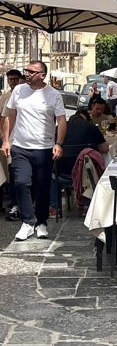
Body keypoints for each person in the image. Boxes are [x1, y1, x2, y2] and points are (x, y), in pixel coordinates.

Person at [1, 61, 67, 241]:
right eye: (26, 71)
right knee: (21, 182)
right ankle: (28, 222)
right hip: (21, 147)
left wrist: (59, 143)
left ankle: (41, 222)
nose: (27, 74)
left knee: (42, 187)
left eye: (32, 71)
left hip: (44, 148)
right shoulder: (18, 91)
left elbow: (61, 120)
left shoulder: (53, 94)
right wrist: (6, 140)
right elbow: (10, 115)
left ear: (42, 75)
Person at [50, 109, 109, 217]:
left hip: (62, 171)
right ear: (85, 118)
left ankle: (55, 207)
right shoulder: (91, 127)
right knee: (92, 167)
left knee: (52, 174)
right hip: (85, 172)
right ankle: (89, 204)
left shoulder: (59, 128)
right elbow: (104, 148)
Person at [0, 68, 22, 216]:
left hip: (24, 139)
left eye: (15, 79)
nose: (13, 82)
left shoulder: (25, 95)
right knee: (12, 173)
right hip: (9, 140)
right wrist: (3, 137)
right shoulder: (4, 98)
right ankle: (14, 202)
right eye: (10, 80)